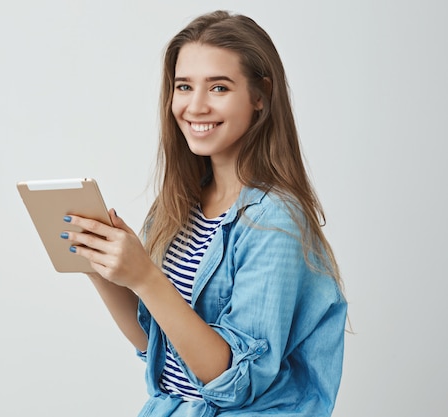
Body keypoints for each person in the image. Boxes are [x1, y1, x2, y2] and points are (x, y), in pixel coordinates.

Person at [60, 10, 347, 417]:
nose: (195, 106)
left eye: (218, 87)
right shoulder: (179, 205)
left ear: (260, 95)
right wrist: (101, 268)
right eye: (183, 86)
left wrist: (145, 275)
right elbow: (157, 345)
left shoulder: (274, 219)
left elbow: (235, 383)